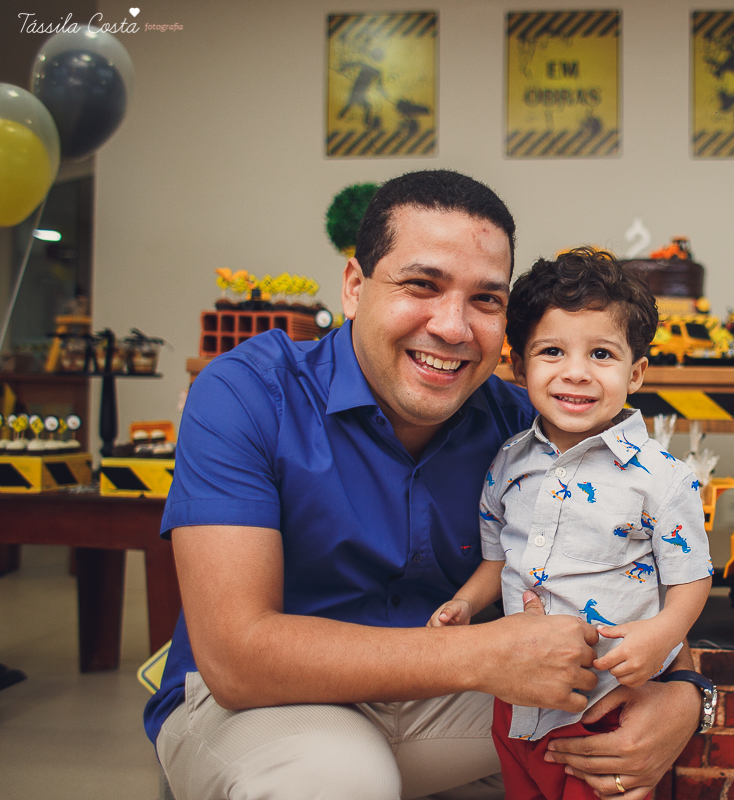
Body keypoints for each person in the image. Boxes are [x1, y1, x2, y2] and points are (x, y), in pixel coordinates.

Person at [145, 170, 704, 800]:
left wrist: (684, 694)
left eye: (487, 300)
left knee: (606, 745)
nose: (453, 327)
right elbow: (237, 659)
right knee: (336, 780)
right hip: (261, 706)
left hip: (446, 701)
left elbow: (628, 567)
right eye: (422, 285)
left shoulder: (527, 428)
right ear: (355, 287)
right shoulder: (247, 394)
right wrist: (484, 656)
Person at [427, 248, 713, 800]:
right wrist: (466, 602)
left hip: (603, 704)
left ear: (635, 373)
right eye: (552, 351)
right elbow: (496, 559)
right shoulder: (508, 462)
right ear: (520, 367)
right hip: (516, 701)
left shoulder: (660, 479)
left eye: (601, 354)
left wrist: (663, 636)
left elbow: (691, 577)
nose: (576, 372)